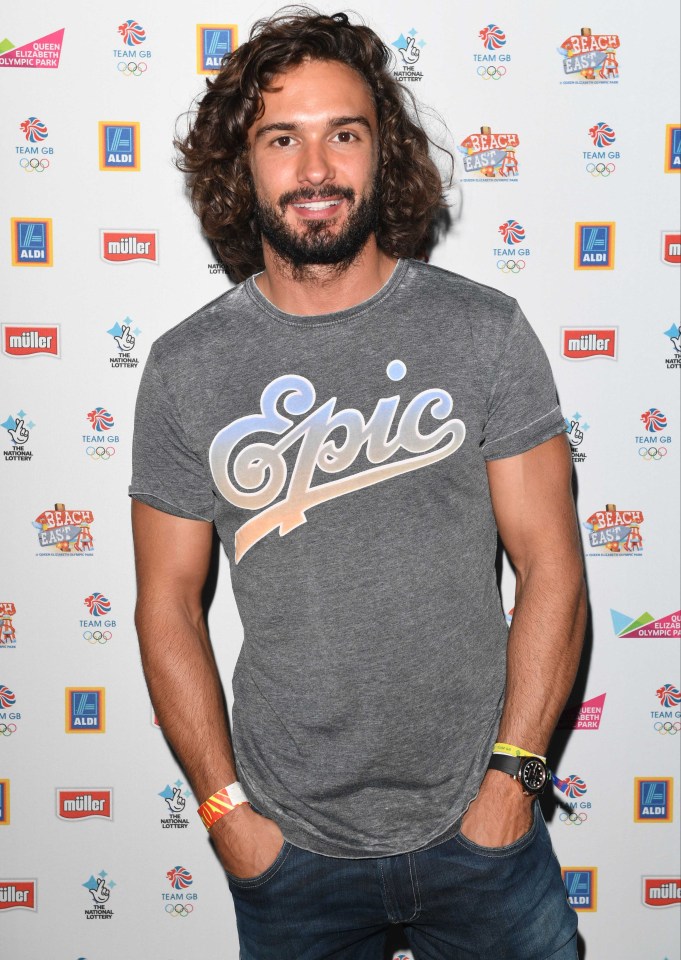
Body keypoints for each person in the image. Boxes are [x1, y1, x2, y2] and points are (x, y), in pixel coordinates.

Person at [130, 9, 587, 959]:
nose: (315, 169)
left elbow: (551, 566)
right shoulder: (187, 368)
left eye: (344, 133)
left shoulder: (482, 331)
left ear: (384, 153)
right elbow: (166, 604)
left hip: (485, 835)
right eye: (280, 138)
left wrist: (512, 782)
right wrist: (228, 817)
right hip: (289, 852)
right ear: (239, 164)